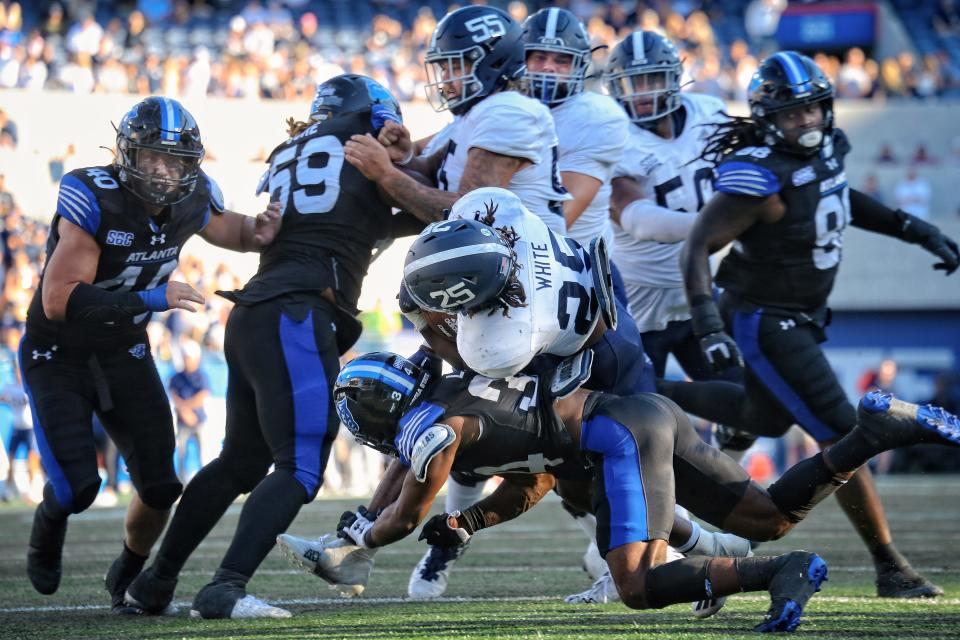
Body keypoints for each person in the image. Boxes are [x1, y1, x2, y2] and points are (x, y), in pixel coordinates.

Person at [278, 352, 960, 632]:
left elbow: (399, 519)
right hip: (643, 411)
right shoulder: (462, 383)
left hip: (616, 435)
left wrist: (358, 543)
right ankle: (873, 433)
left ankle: (777, 574)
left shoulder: (435, 427)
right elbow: (535, 481)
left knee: (634, 582)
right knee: (770, 513)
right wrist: (469, 526)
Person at [123, 75, 431, 620]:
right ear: (376, 115)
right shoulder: (366, 144)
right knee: (302, 465)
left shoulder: (294, 149)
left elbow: (367, 216)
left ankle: (154, 583)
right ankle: (226, 587)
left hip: (253, 315)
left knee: (239, 461)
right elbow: (416, 200)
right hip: (296, 313)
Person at [663, 51, 960, 598]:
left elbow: (840, 199)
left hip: (794, 315)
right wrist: (708, 326)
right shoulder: (759, 178)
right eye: (794, 113)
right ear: (769, 116)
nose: (807, 122)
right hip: (763, 319)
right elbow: (698, 247)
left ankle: (648, 392)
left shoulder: (825, 151)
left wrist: (916, 229)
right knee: (849, 434)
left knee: (764, 418)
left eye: (814, 110)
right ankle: (890, 566)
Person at [20, 96, 282, 612]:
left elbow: (236, 231)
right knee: (77, 489)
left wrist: (262, 231)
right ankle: (47, 524)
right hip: (59, 354)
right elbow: (58, 301)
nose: (163, 171)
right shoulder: (94, 194)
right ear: (128, 156)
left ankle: (127, 573)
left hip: (124, 352)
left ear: (192, 164)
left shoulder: (194, 197)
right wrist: (149, 298)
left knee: (161, 486)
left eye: (175, 161)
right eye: (151, 158)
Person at [343, 5, 571, 233]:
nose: (446, 79)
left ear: (493, 64)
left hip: (528, 260)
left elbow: (474, 216)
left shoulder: (509, 112)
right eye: (443, 68)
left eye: (455, 67)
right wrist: (404, 157)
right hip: (502, 256)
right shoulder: (478, 112)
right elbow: (436, 176)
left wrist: (386, 174)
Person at [604, 31, 740, 389]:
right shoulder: (613, 136)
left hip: (697, 290)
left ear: (674, 78)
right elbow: (640, 220)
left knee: (748, 402)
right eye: (632, 82)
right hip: (636, 304)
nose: (643, 92)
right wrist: (720, 223)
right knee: (643, 419)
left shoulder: (708, 113)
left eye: (652, 79)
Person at [519, 7, 628, 249]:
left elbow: (558, 220)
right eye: (539, 57)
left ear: (579, 66)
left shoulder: (596, 117)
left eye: (561, 60)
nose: (548, 68)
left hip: (577, 268)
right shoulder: (505, 105)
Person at [168, 339, 209, 482]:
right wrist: (184, 411)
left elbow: (202, 395)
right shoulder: (176, 377)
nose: (188, 361)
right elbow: (174, 396)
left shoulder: (202, 375)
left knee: (204, 453)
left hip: (199, 419)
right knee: (181, 454)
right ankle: (181, 483)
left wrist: (187, 409)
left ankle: (206, 481)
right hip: (182, 421)